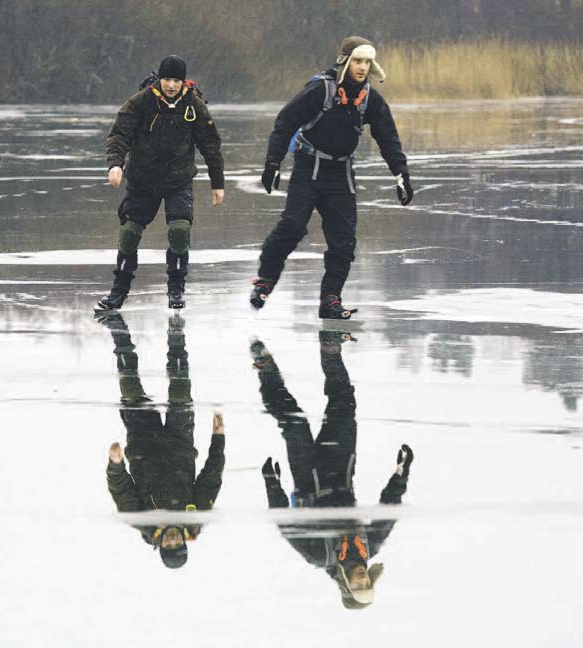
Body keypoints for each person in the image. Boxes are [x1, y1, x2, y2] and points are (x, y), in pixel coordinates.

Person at [250, 36, 413, 319]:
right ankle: (265, 279)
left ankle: (331, 299)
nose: (363, 67)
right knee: (292, 225)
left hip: (341, 174)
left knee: (344, 241)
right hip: (309, 166)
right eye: (358, 61)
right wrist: (273, 163)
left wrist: (401, 173)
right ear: (346, 61)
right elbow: (285, 122)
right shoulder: (320, 90)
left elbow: (388, 137)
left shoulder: (370, 99)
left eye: (367, 62)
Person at [250, 331, 414, 608]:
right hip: (340, 470)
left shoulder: (319, 556)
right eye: (367, 583)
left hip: (308, 480)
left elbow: (286, 525)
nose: (362, 579)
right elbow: (389, 510)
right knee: (344, 407)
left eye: (357, 586)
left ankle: (266, 369)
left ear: (346, 585)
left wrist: (272, 484)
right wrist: (401, 472)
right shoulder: (369, 546)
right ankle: (331, 351)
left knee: (294, 423)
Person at [98, 54, 225, 312]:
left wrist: (217, 182)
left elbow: (210, 145)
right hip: (143, 179)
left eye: (176, 81)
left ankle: (176, 288)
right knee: (130, 232)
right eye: (167, 79)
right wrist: (115, 164)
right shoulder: (141, 102)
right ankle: (119, 291)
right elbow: (120, 134)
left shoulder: (193, 105)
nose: (170, 85)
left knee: (180, 230)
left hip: (178, 180)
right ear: (160, 79)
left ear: (183, 82)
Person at [101, 313, 226, 569]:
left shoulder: (140, 521)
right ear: (184, 542)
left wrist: (115, 463)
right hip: (180, 440)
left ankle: (119, 333)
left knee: (130, 389)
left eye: (168, 546)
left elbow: (120, 489)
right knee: (180, 388)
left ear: (160, 546)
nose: (172, 540)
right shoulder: (196, 517)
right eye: (177, 545)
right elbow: (211, 476)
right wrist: (218, 437)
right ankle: (176, 333)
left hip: (142, 444)